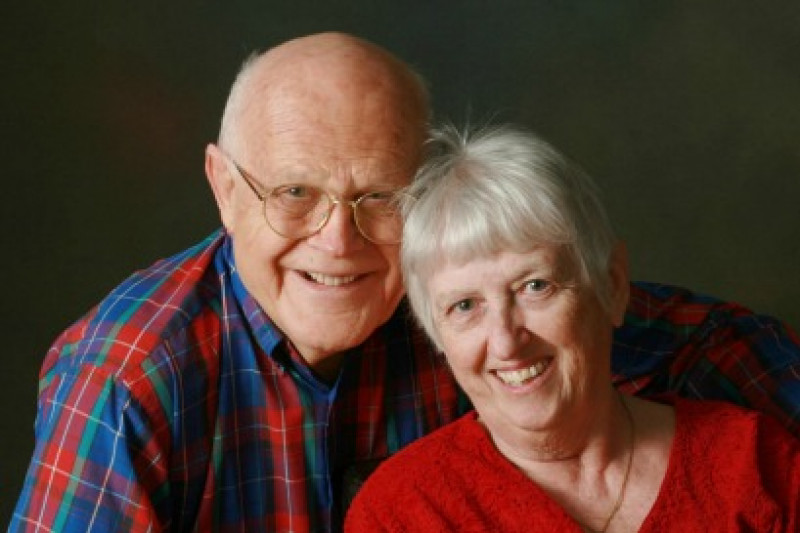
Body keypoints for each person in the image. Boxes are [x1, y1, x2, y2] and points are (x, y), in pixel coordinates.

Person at [8, 32, 800, 532]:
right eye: (295, 192)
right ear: (223, 187)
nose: (338, 239)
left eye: (379, 195)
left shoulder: (461, 302)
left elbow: (625, 319)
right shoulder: (129, 378)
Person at [345, 124, 800, 532]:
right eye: (464, 306)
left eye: (535, 286)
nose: (506, 341)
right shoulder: (402, 514)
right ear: (436, 335)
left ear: (613, 286)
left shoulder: (756, 465)